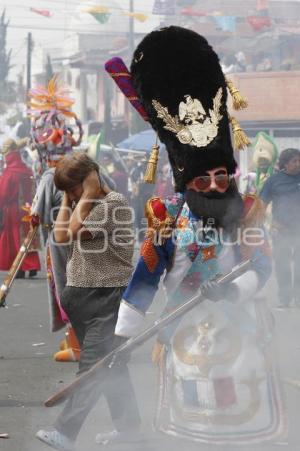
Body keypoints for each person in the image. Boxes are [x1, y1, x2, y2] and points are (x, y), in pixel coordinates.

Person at [110, 26, 285, 445]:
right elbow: (148, 273)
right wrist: (125, 333)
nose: (212, 185)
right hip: (181, 318)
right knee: (190, 391)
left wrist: (235, 291)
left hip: (239, 317)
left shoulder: (246, 214)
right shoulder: (166, 217)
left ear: (230, 174)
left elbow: (262, 264)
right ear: (187, 180)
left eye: (220, 175)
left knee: (242, 383)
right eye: (202, 178)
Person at [36, 152, 141, 451]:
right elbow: (58, 235)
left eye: (73, 188)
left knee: (94, 368)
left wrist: (91, 193)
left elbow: (72, 234)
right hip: (83, 296)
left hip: (106, 296)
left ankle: (65, 432)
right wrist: (72, 200)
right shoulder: (84, 204)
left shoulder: (113, 204)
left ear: (89, 179)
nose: (69, 195)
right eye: (65, 191)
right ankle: (130, 428)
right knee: (112, 366)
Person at [28, 75, 84, 361]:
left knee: (66, 286)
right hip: (91, 237)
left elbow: (37, 212)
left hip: (61, 239)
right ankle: (74, 340)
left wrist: (33, 218)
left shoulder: (51, 176)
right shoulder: (91, 168)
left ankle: (77, 345)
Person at [260, 148, 300, 308]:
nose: (298, 164)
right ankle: (285, 299)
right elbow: (261, 205)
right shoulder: (273, 181)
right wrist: (270, 223)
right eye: (294, 161)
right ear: (285, 164)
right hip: (281, 230)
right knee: (282, 265)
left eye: (299, 161)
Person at [0, 138, 41, 278]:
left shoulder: (10, 172)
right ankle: (32, 265)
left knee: (15, 238)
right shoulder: (26, 169)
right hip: (29, 209)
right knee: (28, 237)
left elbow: (3, 194)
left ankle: (21, 268)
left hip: (13, 211)